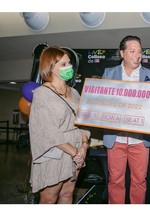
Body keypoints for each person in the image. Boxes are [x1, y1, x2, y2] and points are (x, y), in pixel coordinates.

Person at [29, 46, 90, 204]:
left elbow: (83, 121)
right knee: (49, 199)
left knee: (67, 195)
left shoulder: (74, 93)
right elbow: (48, 130)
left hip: (76, 150)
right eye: (63, 64)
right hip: (56, 152)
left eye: (69, 63)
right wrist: (74, 152)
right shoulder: (42, 93)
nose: (68, 67)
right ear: (50, 67)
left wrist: (84, 145)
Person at [102, 35, 150, 204]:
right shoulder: (109, 73)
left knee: (139, 181)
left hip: (140, 141)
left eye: (139, 51)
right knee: (115, 181)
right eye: (132, 51)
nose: (137, 55)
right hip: (116, 138)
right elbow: (101, 103)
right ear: (122, 53)